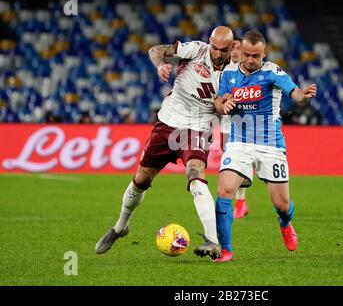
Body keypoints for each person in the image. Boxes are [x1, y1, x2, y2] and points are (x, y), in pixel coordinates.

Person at [95, 26, 234, 259]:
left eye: (224, 50)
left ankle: (213, 241)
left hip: (198, 128)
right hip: (168, 122)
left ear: (232, 47)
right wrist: (161, 64)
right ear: (210, 43)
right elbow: (155, 50)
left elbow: (222, 108)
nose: (218, 54)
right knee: (141, 180)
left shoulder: (234, 72)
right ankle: (120, 227)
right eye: (215, 48)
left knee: (195, 174)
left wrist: (223, 110)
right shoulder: (196, 50)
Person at [213, 30, 317, 262]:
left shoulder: (273, 72)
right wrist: (224, 104)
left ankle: (285, 224)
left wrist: (304, 96)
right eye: (247, 55)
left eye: (255, 56)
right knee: (224, 190)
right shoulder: (229, 73)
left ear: (264, 53)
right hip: (239, 143)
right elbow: (218, 104)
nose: (250, 60)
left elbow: (295, 93)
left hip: (271, 144)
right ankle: (226, 250)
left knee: (281, 204)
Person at [220, 38, 249, 219]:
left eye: (240, 48)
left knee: (242, 162)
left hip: (244, 122)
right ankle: (235, 201)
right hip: (225, 123)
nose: (237, 51)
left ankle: (240, 202)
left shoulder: (248, 70)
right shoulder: (224, 70)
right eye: (234, 48)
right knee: (229, 162)